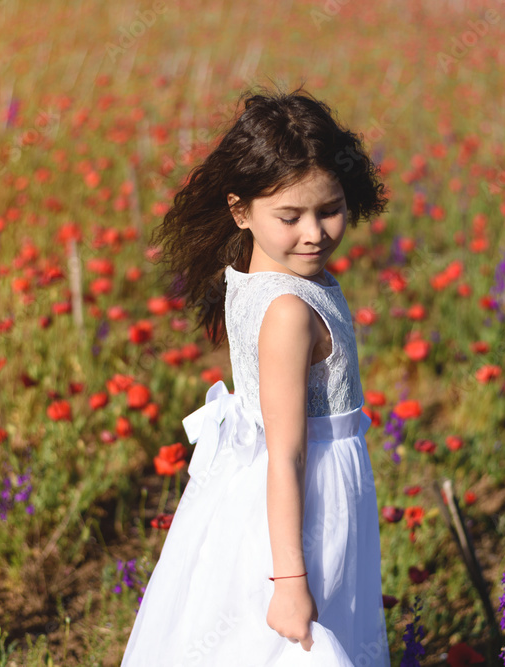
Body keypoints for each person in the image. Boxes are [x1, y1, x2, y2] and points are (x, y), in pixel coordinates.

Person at [121, 86, 391, 666]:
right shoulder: (290, 310)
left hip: (262, 492)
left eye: (330, 209)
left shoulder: (253, 276)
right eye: (290, 217)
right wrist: (290, 580)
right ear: (240, 210)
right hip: (305, 503)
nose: (314, 233)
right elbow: (287, 454)